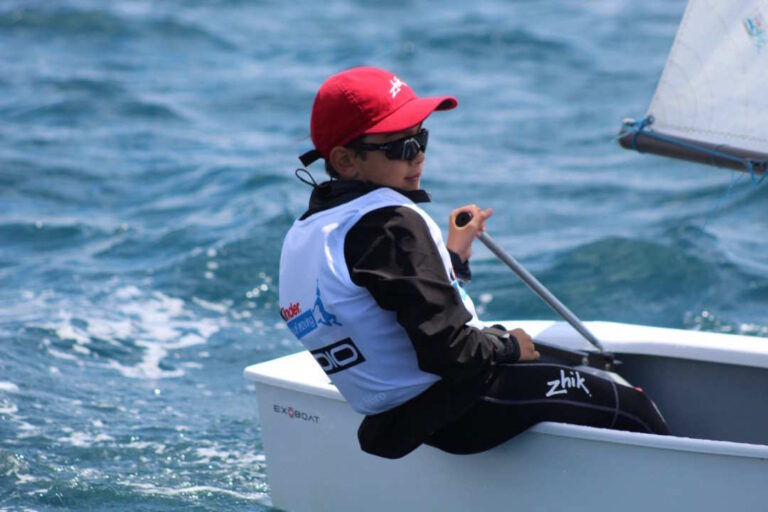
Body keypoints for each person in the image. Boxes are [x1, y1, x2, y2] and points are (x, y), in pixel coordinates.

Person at [279, 66, 669, 459]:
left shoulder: (311, 230)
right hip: (465, 407)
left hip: (403, 418)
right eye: (399, 147)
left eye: (421, 138)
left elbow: (385, 299)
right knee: (636, 409)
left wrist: (452, 258)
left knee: (564, 365)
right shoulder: (392, 226)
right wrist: (507, 347)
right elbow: (451, 352)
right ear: (346, 160)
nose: (418, 157)